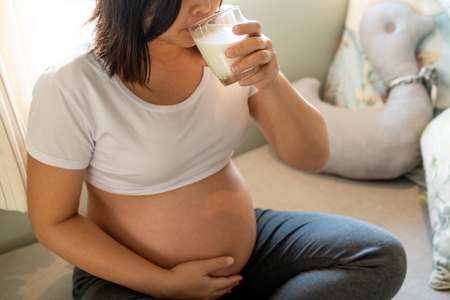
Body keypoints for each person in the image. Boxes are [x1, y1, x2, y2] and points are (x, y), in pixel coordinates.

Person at [26, 0, 407, 299]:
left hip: (250, 250)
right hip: (133, 276)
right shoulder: (71, 85)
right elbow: (53, 222)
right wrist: (163, 283)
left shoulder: (225, 46)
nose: (203, 7)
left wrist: (272, 82)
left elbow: (312, 156)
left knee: (379, 256)